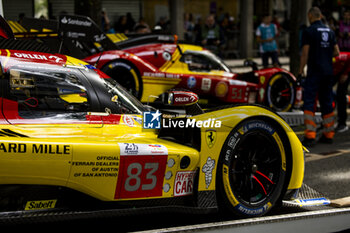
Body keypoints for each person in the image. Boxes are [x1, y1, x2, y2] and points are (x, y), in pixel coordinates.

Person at [299, 7, 340, 146]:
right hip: (328, 72)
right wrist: (325, 54)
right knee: (327, 101)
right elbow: (337, 52)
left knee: (310, 101)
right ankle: (329, 134)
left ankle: (310, 135)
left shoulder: (308, 31)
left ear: (310, 15)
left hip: (314, 71)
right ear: (321, 16)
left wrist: (300, 71)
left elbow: (305, 53)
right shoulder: (330, 31)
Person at [333, 52, 350, 132]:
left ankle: (342, 123)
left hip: (345, 69)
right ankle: (340, 122)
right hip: (339, 69)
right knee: (339, 95)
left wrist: (346, 73)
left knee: (341, 94)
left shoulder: (342, 57)